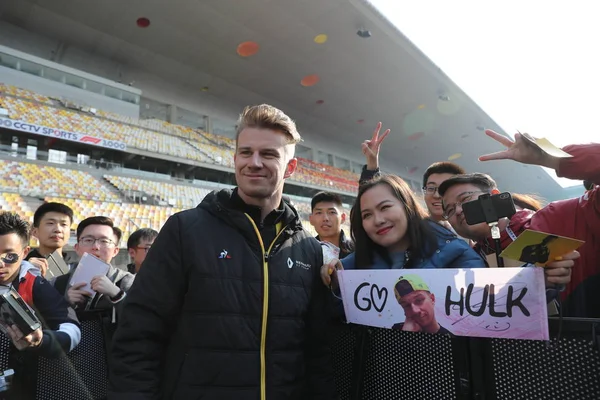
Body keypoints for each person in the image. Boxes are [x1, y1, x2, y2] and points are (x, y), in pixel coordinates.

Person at [109, 104, 336, 399]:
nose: (254, 162)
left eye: (268, 154)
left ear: (290, 167)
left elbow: (316, 352)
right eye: (246, 152)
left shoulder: (308, 248)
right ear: (235, 158)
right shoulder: (185, 230)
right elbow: (138, 335)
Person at [438, 129, 596, 298]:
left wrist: (550, 158)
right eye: (450, 210)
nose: (459, 210)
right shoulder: (463, 264)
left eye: (465, 198)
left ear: (494, 196)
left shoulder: (558, 217)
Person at [321, 175, 484, 291]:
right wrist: (332, 286)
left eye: (385, 207)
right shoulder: (348, 267)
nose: (378, 220)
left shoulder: (456, 254)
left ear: (407, 207)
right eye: (367, 215)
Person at [0, 212, 80, 398]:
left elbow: (72, 330)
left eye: (9, 256)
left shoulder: (34, 283)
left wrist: (42, 340)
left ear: (25, 252)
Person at [53, 216, 134, 310]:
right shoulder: (57, 283)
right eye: (88, 240)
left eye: (104, 241)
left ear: (115, 251)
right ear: (77, 248)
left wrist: (117, 295)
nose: (96, 247)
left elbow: (143, 319)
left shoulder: (129, 282)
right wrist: (65, 303)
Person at [25, 202, 74, 278]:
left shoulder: (77, 265)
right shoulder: (22, 265)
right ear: (35, 232)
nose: (58, 229)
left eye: (64, 224)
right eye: (50, 223)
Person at [309, 191, 354, 258]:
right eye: (319, 213)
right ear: (311, 219)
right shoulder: (304, 251)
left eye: (332, 212)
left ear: (343, 218)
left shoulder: (356, 250)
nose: (325, 218)